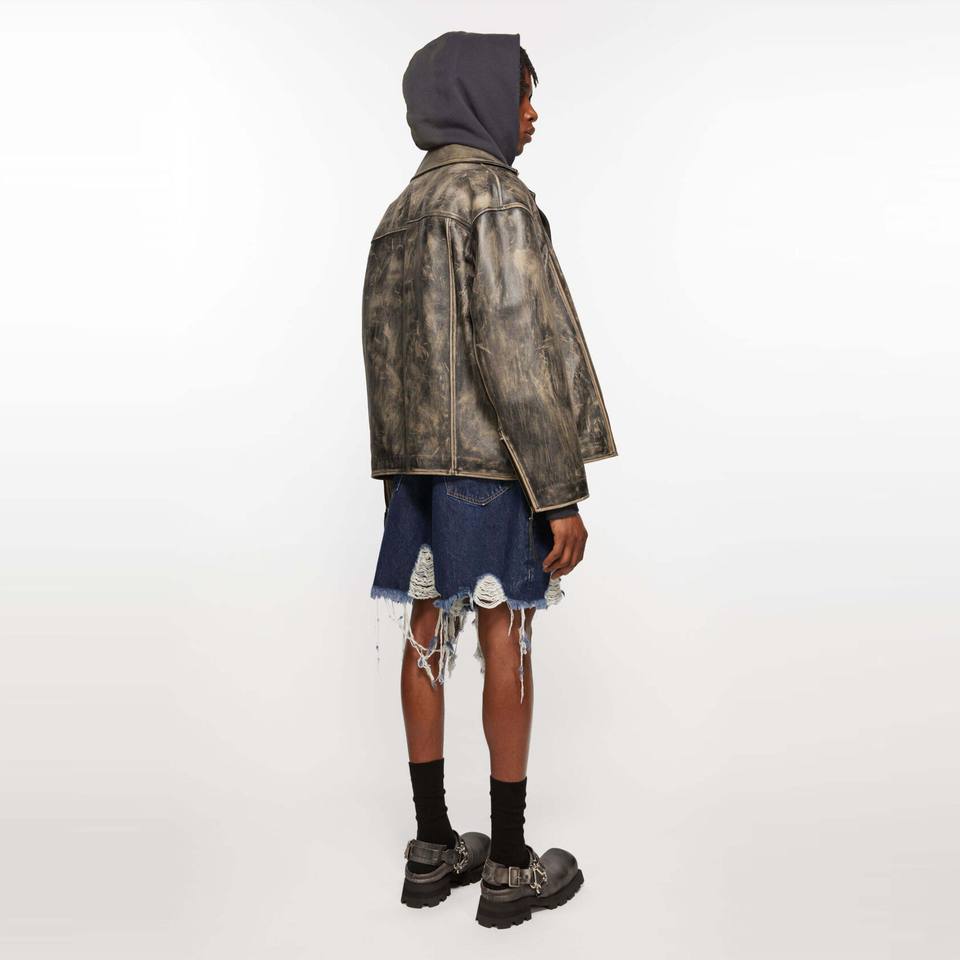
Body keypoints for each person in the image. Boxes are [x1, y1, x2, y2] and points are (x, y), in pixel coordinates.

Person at [361, 30, 617, 929]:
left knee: (427, 633)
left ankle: (432, 846)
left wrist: (398, 480)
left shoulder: (399, 213)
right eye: (522, 94)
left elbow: (383, 363)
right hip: (491, 468)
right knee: (508, 636)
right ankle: (509, 864)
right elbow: (515, 357)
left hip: (415, 471)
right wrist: (558, 492)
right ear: (477, 99)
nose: (532, 113)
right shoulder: (496, 201)